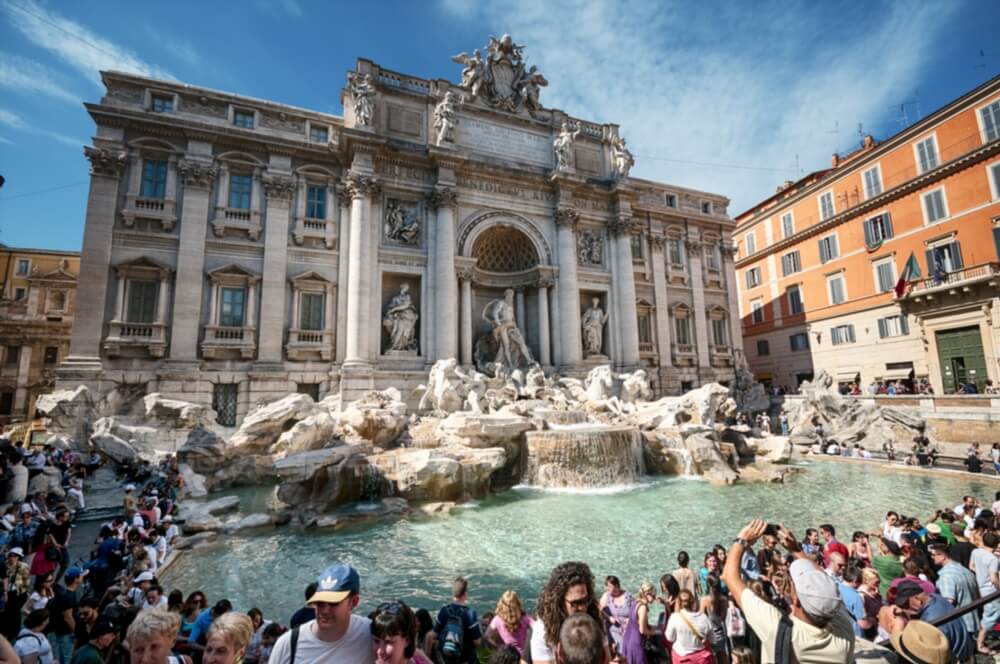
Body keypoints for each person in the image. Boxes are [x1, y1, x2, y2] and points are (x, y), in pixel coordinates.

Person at [722, 520, 855, 663]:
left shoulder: (777, 629)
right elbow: (825, 586)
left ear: (796, 600)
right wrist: (796, 549)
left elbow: (729, 576)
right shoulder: (844, 631)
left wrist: (741, 540)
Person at [268, 564, 373, 663]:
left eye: (333, 603)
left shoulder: (371, 634)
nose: (325, 611)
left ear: (354, 602)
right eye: (320, 602)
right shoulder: (287, 645)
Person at [530, 561, 603, 664]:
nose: (583, 608)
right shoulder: (543, 630)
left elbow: (605, 655)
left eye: (586, 600)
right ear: (558, 602)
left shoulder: (594, 618)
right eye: (576, 603)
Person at [891, 580, 971, 662]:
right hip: (966, 651)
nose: (905, 609)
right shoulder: (935, 597)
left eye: (906, 604)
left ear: (916, 599)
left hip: (957, 658)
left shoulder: (930, 620)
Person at [927, 543, 980, 651]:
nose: (931, 557)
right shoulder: (963, 569)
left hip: (963, 626)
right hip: (973, 620)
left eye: (933, 555)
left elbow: (948, 602)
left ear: (942, 556)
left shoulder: (946, 576)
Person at [433, 577, 480, 664]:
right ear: (465, 594)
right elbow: (477, 642)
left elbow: (435, 635)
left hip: (447, 657)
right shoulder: (470, 613)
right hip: (465, 658)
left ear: (453, 593)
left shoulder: (444, 610)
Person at [46, 566, 87, 664]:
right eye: (81, 576)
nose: (83, 578)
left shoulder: (66, 593)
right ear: (76, 579)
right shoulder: (68, 597)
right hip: (66, 634)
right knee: (67, 659)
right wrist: (75, 632)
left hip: (63, 633)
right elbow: (68, 617)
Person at [970, 530, 1000, 656]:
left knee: (990, 614)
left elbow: (971, 566)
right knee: (989, 618)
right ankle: (980, 645)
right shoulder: (993, 559)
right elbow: (994, 579)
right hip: (992, 591)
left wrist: (982, 576)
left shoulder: (975, 551)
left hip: (982, 589)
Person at [664, 589, 713, 664]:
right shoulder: (703, 617)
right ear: (693, 602)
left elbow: (670, 638)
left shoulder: (674, 617)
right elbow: (712, 639)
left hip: (682, 658)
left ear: (679, 603)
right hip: (702, 658)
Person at [485, 590, 531, 655]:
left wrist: (498, 647)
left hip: (506, 656)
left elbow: (487, 636)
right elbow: (538, 629)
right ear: (517, 603)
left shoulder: (497, 619)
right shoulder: (525, 618)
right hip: (522, 655)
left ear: (501, 603)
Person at [619, 582, 654, 664]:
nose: (654, 598)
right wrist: (654, 632)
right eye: (653, 595)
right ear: (647, 594)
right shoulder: (643, 608)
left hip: (627, 641)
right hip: (636, 644)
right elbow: (642, 630)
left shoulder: (635, 602)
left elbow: (635, 622)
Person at [597, 576, 631, 657]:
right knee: (622, 651)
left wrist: (631, 619)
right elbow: (598, 610)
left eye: (615, 586)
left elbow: (635, 610)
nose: (612, 589)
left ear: (618, 585)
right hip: (615, 628)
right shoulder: (606, 596)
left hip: (629, 627)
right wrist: (609, 618)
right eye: (609, 587)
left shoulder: (627, 595)